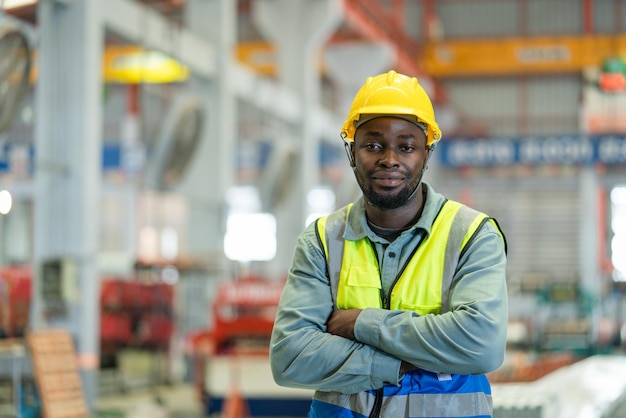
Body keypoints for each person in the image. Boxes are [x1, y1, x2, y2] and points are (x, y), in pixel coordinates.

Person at [269, 70, 508, 418]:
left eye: (407, 146)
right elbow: (289, 357)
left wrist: (361, 324)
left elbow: (481, 345)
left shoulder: (471, 234)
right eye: (373, 145)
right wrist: (399, 363)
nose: (390, 159)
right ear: (352, 153)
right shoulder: (323, 240)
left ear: (426, 154)